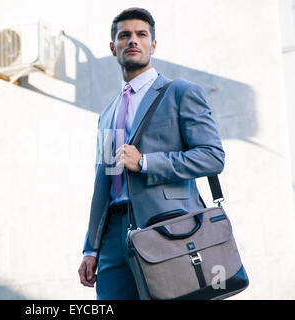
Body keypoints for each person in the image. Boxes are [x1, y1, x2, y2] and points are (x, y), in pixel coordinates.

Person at [78, 7, 225, 300]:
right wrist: (91, 247)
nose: (133, 40)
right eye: (125, 35)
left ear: (153, 45)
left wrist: (145, 162)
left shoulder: (180, 93)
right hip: (113, 237)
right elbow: (103, 183)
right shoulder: (108, 114)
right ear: (113, 48)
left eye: (141, 34)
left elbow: (212, 156)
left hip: (169, 228)